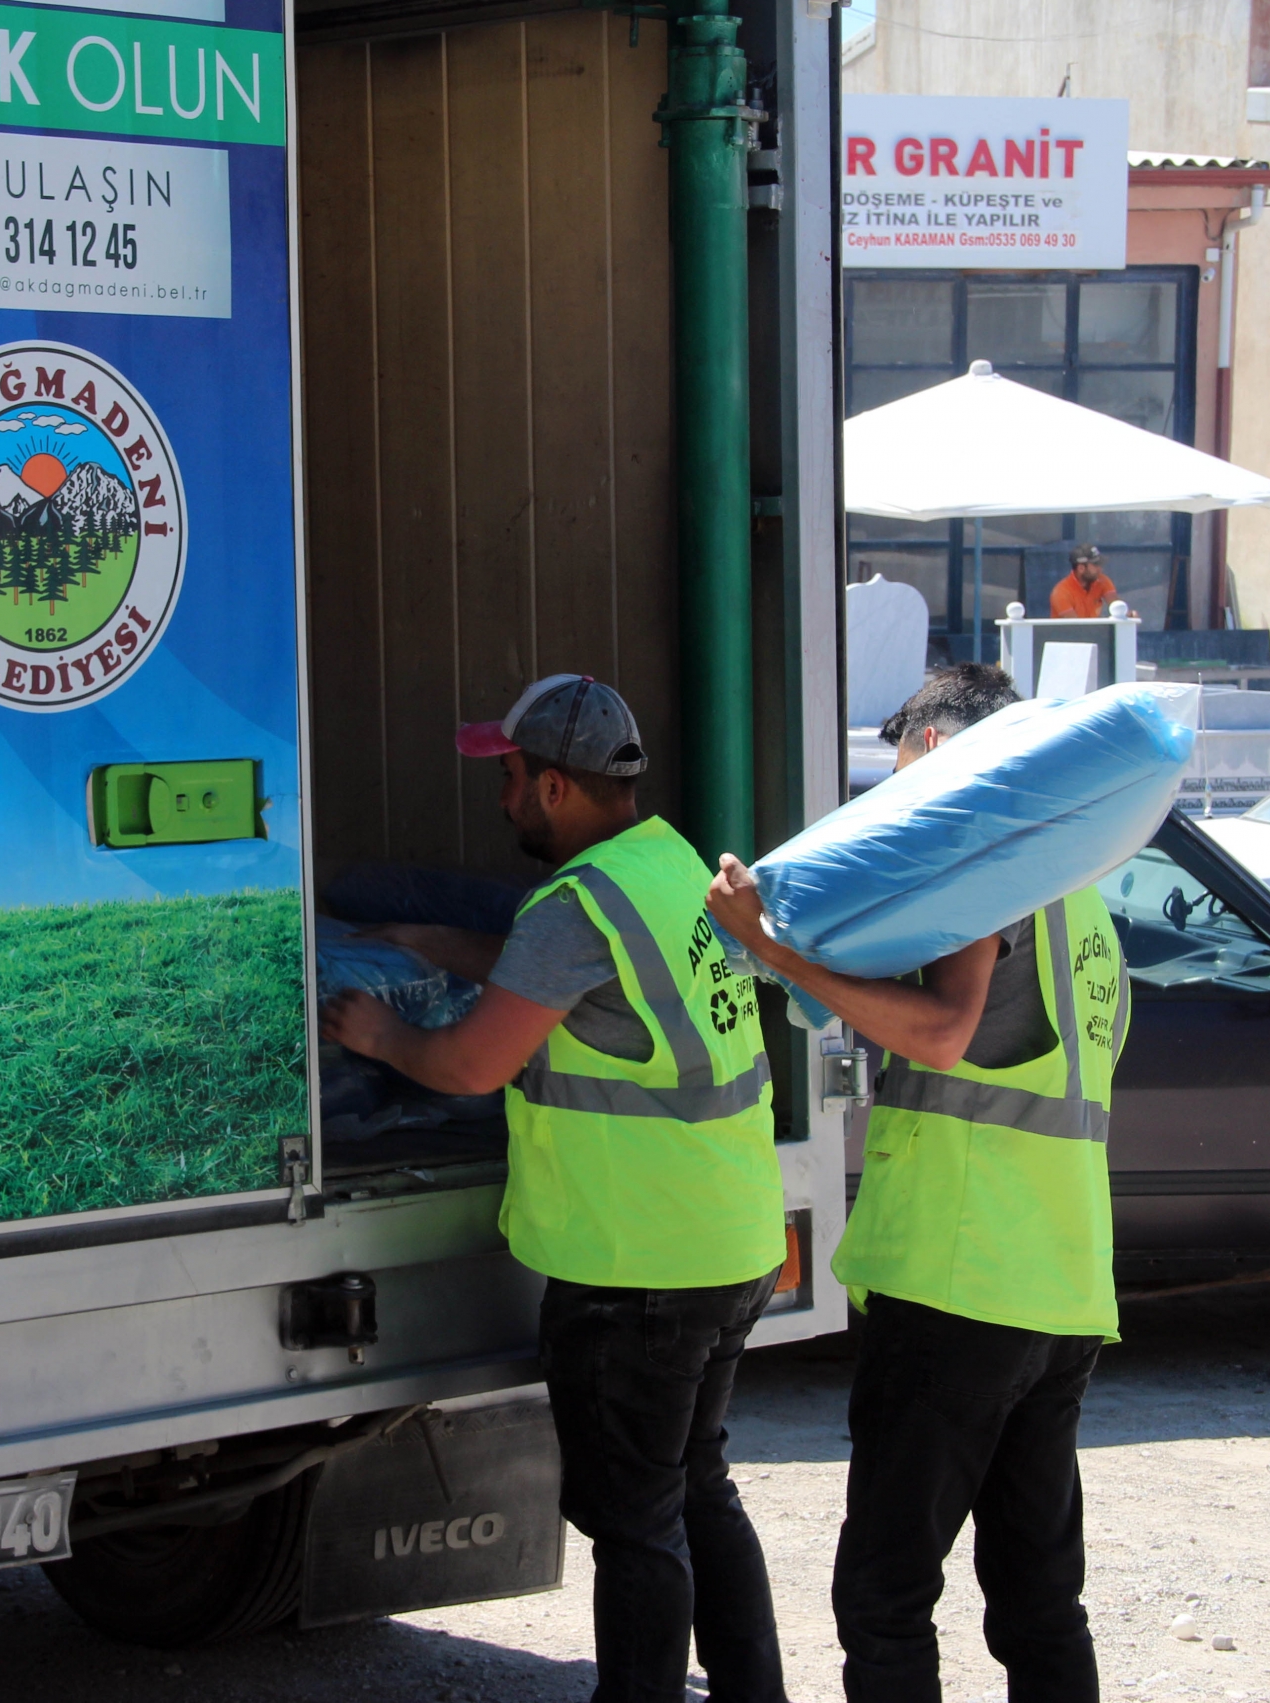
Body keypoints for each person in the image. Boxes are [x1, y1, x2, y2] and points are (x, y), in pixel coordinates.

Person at [322, 673, 791, 1703]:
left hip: (634, 1269)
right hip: (727, 1242)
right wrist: (442, 946)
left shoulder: (572, 904)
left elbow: (469, 1068)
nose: (499, 798)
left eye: (509, 777)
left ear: (552, 790)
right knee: (694, 1487)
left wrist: (381, 1035)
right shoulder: (666, 865)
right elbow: (594, 981)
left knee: (633, 1523)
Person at [706, 663, 1127, 1703]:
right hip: (1061, 1288)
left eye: (898, 776)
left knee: (886, 1598)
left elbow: (942, 1034)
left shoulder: (986, 871)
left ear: (939, 755)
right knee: (1037, 1598)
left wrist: (772, 950)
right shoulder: (1081, 901)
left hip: (959, 1283)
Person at [1047, 544, 1118, 620]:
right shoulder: (1061, 592)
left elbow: (1117, 606)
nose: (1100, 569)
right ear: (1081, 568)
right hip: (1068, 631)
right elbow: (1076, 627)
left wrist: (1127, 614)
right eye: (1095, 565)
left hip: (1092, 630)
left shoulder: (1102, 580)